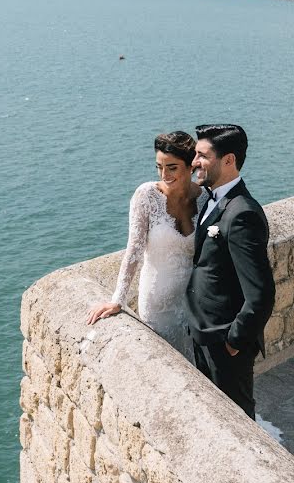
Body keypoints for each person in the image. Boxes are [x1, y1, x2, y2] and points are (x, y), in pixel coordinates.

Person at [87, 131, 208, 359]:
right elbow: (133, 250)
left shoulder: (204, 198)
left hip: (193, 301)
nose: (164, 174)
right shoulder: (146, 196)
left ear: (190, 166)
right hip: (157, 303)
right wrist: (118, 300)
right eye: (159, 167)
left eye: (172, 167)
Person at [186, 124, 274, 418]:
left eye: (202, 156)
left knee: (236, 420)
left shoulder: (242, 213)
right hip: (203, 333)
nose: (194, 162)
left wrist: (234, 341)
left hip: (224, 343)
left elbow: (260, 293)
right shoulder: (210, 200)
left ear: (228, 160)